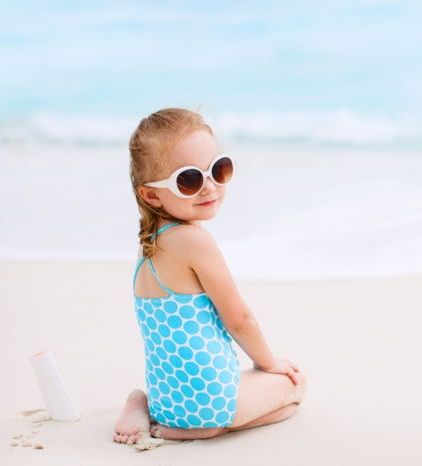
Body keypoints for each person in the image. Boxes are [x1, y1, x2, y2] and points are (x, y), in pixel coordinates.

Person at [113, 108, 307, 446]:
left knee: (281, 407)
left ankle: (153, 408)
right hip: (211, 398)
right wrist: (268, 362)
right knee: (295, 385)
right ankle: (211, 426)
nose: (210, 186)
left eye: (219, 169)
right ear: (152, 194)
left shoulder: (150, 243)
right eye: (188, 180)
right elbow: (239, 318)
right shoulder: (194, 240)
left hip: (167, 399)